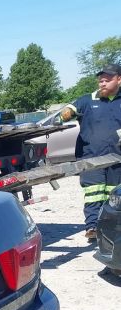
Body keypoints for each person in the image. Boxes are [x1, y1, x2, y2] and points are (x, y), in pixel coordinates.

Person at [60, 63, 121, 242]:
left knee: (113, 195)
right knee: (94, 192)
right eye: (100, 80)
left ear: (119, 79)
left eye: (107, 80)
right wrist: (65, 113)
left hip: (117, 158)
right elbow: (70, 109)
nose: (102, 83)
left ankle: (110, 228)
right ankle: (92, 227)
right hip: (91, 156)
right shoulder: (87, 100)